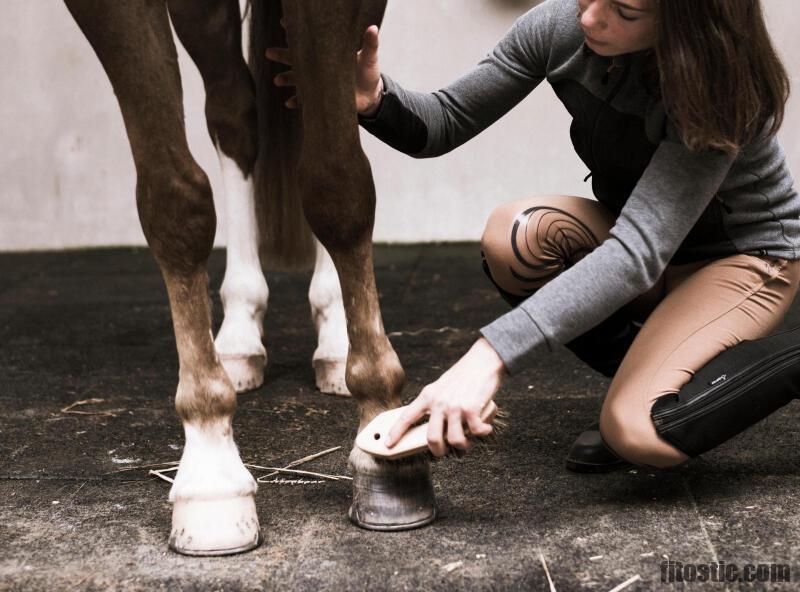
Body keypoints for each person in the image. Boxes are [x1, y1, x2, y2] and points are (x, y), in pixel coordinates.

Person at [266, 0, 800, 471]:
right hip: (649, 247)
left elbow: (635, 253)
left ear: (688, 25)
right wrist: (374, 98)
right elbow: (445, 120)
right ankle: (651, 376)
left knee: (638, 431)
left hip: (743, 261)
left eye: (626, 10)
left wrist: (484, 360)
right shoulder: (561, 27)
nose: (590, 15)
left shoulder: (721, 87)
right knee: (515, 240)